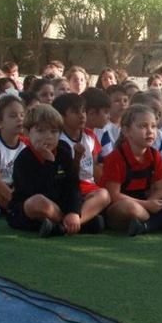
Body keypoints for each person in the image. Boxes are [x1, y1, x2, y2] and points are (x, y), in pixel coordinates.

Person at [101, 104, 162, 235]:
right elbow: (114, 195)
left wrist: (150, 202)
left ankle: (147, 226)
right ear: (126, 131)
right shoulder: (115, 157)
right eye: (143, 126)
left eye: (153, 126)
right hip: (122, 205)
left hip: (148, 202)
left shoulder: (155, 155)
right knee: (130, 208)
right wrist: (147, 205)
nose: (150, 131)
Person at [7, 103, 84, 237]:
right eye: (41, 131)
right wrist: (49, 164)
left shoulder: (63, 152)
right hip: (32, 208)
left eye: (53, 131)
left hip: (60, 205)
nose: (48, 136)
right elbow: (38, 192)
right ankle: (67, 225)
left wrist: (73, 212)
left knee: (101, 195)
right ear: (27, 132)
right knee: (37, 202)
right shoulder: (23, 159)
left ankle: (65, 224)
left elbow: (72, 186)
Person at [52, 91, 112, 232]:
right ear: (61, 116)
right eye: (75, 112)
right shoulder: (58, 140)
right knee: (103, 197)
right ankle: (76, 223)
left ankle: (69, 224)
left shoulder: (89, 135)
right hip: (69, 188)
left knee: (105, 195)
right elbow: (64, 175)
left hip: (89, 188)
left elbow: (95, 166)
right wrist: (77, 158)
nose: (82, 115)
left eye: (83, 111)